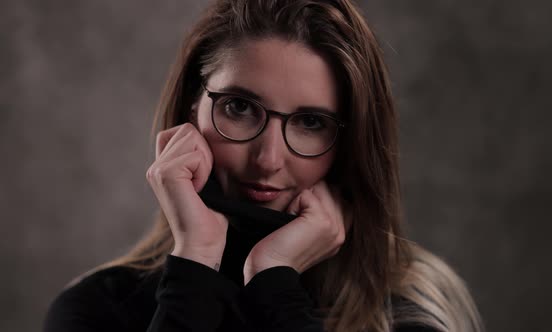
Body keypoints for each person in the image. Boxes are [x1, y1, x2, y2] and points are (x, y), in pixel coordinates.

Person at [43, 0, 484, 331]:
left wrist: (274, 281)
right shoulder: (98, 307)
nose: (268, 159)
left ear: (350, 142)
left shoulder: (415, 305)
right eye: (238, 107)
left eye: (312, 122)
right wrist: (195, 260)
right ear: (192, 106)